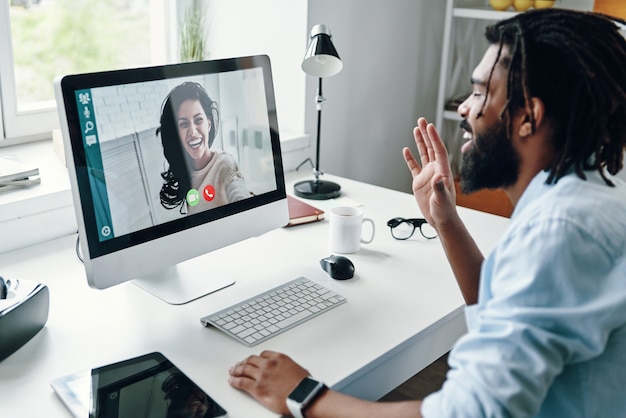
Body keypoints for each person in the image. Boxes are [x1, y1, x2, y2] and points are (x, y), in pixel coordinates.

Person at [227, 8, 626, 418]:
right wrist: (445, 221)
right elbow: (503, 313)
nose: (466, 110)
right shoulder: (588, 193)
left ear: (528, 117)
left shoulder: (560, 232)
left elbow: (468, 414)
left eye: (479, 93)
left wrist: (305, 396)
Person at [158, 81, 249, 214]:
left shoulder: (224, 164)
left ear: (209, 124)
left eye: (198, 120)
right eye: (184, 124)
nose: (193, 132)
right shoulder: (187, 173)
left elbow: (239, 196)